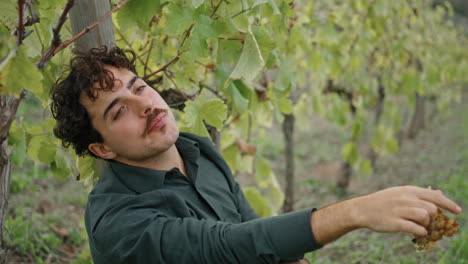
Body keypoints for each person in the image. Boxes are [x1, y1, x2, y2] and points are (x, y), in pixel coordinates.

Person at [50, 46, 462, 264]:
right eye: (118, 110)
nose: (145, 106)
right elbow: (227, 247)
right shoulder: (120, 225)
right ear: (101, 148)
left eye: (139, 88)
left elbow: (249, 226)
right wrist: (355, 212)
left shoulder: (197, 150)